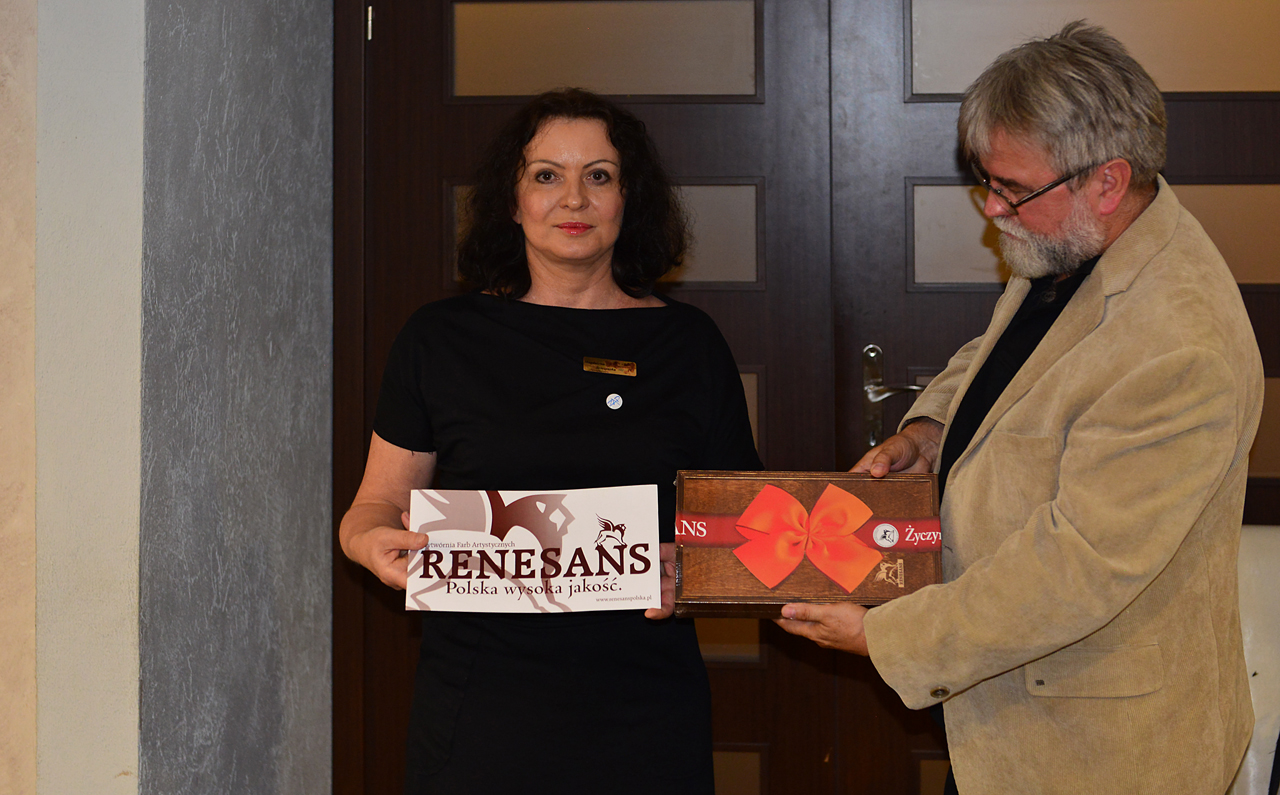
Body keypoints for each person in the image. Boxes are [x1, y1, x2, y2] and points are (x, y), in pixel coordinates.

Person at [776, 22, 1262, 794]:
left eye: (1011, 189)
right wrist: (931, 429)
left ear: (1107, 181)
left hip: (1101, 754)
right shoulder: (1086, 237)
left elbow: (1076, 566)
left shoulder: (1177, 344)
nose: (993, 211)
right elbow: (1011, 357)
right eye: (988, 182)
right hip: (1016, 722)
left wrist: (886, 634)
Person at [339, 88, 761, 794]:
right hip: (480, 714)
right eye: (546, 175)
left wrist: (697, 573)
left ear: (628, 198)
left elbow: (747, 529)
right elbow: (371, 507)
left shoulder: (688, 345)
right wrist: (369, 544)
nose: (574, 198)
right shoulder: (438, 340)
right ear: (512, 202)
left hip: (645, 711)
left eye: (599, 175)